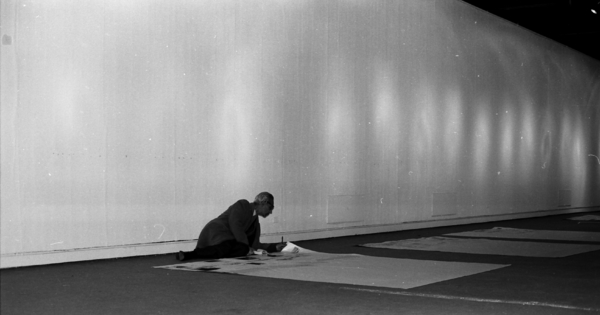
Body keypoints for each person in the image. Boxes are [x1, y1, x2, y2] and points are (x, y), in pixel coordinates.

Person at [176, 192, 286, 261]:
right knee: (237, 247)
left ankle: (194, 254)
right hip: (216, 231)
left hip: (230, 240)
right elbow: (235, 225)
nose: (271, 211)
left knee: (240, 249)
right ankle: (190, 255)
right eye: (271, 207)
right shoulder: (243, 204)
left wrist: (274, 247)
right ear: (264, 203)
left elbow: (256, 244)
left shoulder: (255, 223)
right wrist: (247, 247)